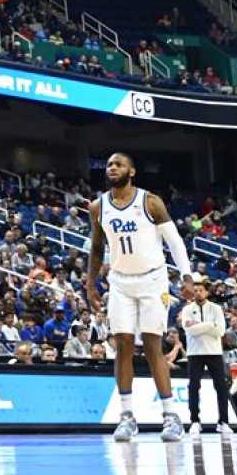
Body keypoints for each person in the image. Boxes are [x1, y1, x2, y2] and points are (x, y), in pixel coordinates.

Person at [88, 152, 192, 443]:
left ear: (131, 171)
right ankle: (126, 416)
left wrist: (186, 277)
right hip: (120, 282)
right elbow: (97, 249)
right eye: (109, 165)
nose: (112, 168)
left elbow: (175, 242)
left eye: (118, 164)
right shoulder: (98, 207)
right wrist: (90, 284)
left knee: (151, 345)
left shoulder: (150, 202)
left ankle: (171, 417)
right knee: (122, 345)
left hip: (153, 280)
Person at [179, 274, 231, 436]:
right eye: (195, 291)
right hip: (195, 353)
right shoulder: (187, 309)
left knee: (221, 388)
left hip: (214, 352)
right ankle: (195, 421)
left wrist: (201, 325)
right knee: (193, 387)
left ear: (206, 292)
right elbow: (189, 330)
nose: (198, 293)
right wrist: (210, 326)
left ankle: (223, 422)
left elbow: (220, 331)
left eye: (201, 290)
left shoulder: (216, 309)